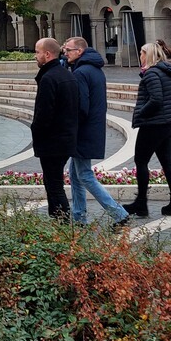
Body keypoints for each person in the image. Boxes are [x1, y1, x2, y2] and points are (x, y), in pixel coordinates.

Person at [62, 37, 129, 227]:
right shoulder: (94, 69)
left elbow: (81, 106)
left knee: (84, 174)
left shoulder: (81, 73)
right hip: (92, 127)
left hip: (84, 130)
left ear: (80, 51)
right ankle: (79, 216)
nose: (65, 53)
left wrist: (71, 126)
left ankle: (119, 213)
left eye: (68, 50)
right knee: (75, 174)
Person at [124, 42, 171, 218]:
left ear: (148, 54)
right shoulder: (165, 71)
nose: (140, 56)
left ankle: (141, 203)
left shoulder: (151, 74)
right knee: (167, 162)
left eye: (142, 53)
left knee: (141, 160)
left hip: (155, 124)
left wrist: (141, 114)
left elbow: (156, 100)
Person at [31, 38, 78, 220]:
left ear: (47, 54)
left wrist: (37, 130)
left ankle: (62, 221)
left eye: (37, 52)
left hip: (53, 140)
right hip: (64, 137)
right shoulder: (66, 75)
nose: (36, 56)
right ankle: (59, 220)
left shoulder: (49, 78)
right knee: (54, 181)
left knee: (54, 184)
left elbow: (44, 113)